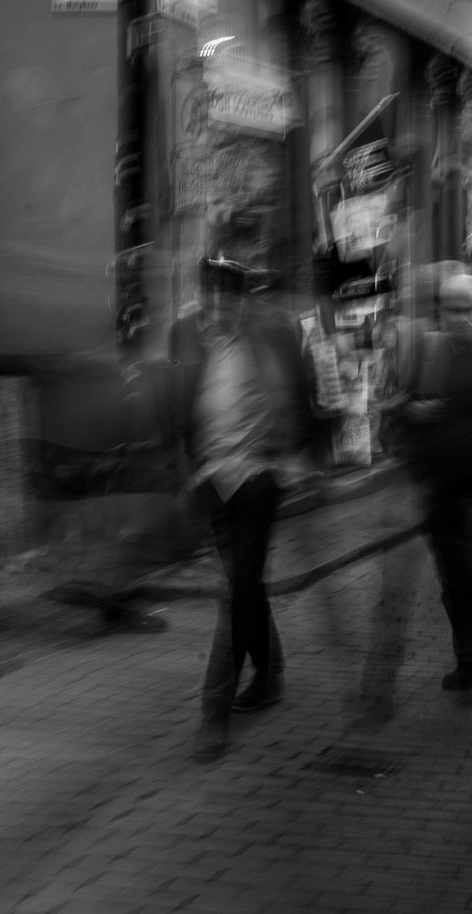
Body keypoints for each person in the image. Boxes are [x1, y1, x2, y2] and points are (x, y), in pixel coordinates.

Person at [179, 255, 322, 762]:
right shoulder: (190, 339)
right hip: (211, 481)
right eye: (208, 295)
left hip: (258, 477)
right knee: (247, 585)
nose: (215, 305)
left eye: (225, 296)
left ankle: (212, 711)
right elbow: (177, 400)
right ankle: (270, 673)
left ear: (242, 299)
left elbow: (303, 397)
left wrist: (295, 458)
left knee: (235, 589)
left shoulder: (274, 338)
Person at [388, 272, 472, 690]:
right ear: (441, 310)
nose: (459, 317)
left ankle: (471, 659)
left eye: (466, 309)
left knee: (469, 575)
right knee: (454, 579)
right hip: (441, 486)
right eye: (451, 309)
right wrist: (413, 413)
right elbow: (404, 407)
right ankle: (469, 649)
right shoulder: (427, 353)